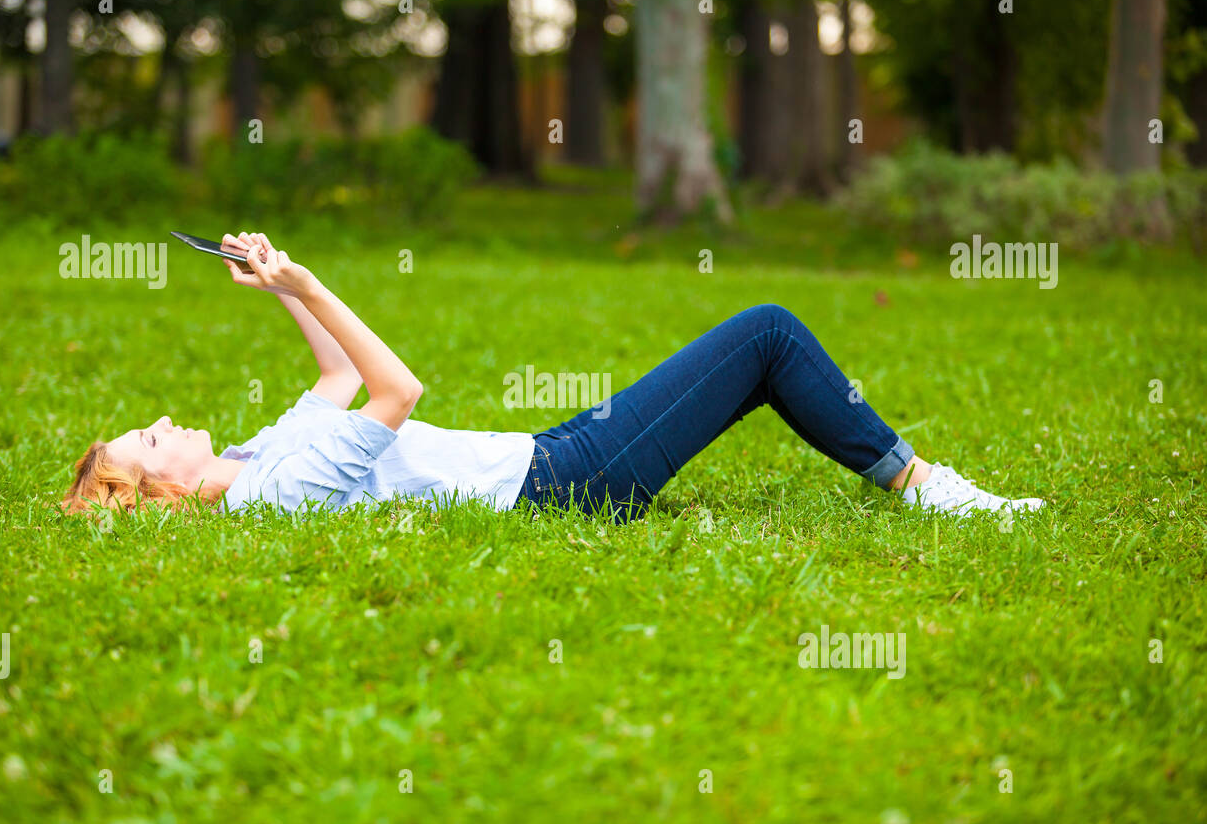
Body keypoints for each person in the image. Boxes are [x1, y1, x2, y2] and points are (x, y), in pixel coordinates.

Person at [62, 232, 1044, 521]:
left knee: (743, 364)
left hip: (550, 453)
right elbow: (395, 391)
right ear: (169, 488)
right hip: (565, 485)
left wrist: (277, 284)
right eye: (147, 441)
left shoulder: (252, 457)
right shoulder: (273, 491)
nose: (159, 420)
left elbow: (334, 379)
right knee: (767, 334)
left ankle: (901, 473)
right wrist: (314, 280)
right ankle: (926, 489)